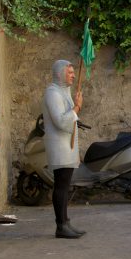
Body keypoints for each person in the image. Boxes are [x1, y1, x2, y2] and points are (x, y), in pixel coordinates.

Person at [42, 60, 85, 239]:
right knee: (61, 186)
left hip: (66, 146)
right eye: (70, 72)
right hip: (59, 146)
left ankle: (65, 222)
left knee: (65, 186)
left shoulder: (62, 91)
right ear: (60, 74)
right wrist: (77, 107)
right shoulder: (52, 93)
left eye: (74, 72)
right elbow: (60, 121)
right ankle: (61, 226)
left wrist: (75, 106)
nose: (73, 76)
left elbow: (69, 118)